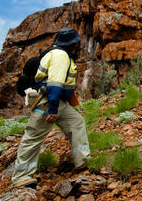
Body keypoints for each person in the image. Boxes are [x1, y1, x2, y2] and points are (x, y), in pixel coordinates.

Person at [11, 28, 90, 189]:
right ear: (71, 44)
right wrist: (53, 110)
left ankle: (82, 161)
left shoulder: (60, 54)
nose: (78, 46)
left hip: (59, 102)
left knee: (77, 122)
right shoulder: (60, 56)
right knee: (33, 137)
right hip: (48, 103)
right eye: (76, 43)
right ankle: (21, 177)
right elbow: (55, 83)